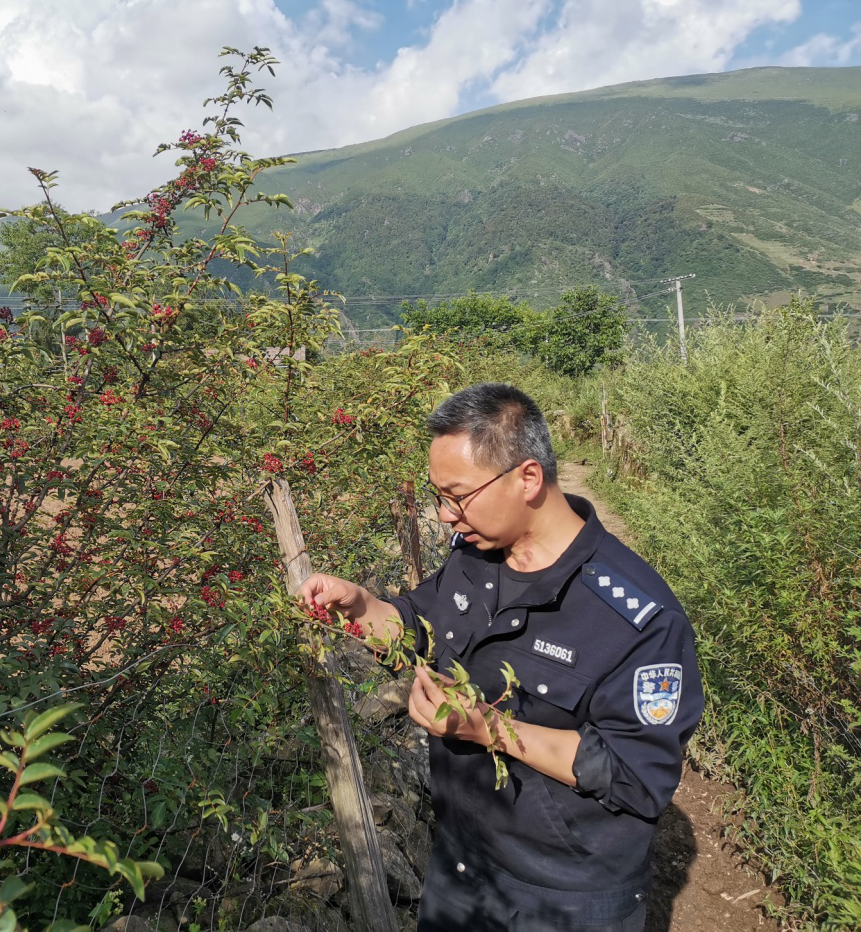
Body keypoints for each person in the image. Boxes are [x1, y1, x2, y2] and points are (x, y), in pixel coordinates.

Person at [298, 383, 702, 932]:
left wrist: (486, 727)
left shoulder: (637, 619)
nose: (445, 515)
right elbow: (418, 626)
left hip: (563, 896)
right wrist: (360, 605)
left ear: (528, 478)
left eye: (457, 496)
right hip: (462, 866)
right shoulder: (475, 558)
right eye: (438, 495)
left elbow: (634, 772)